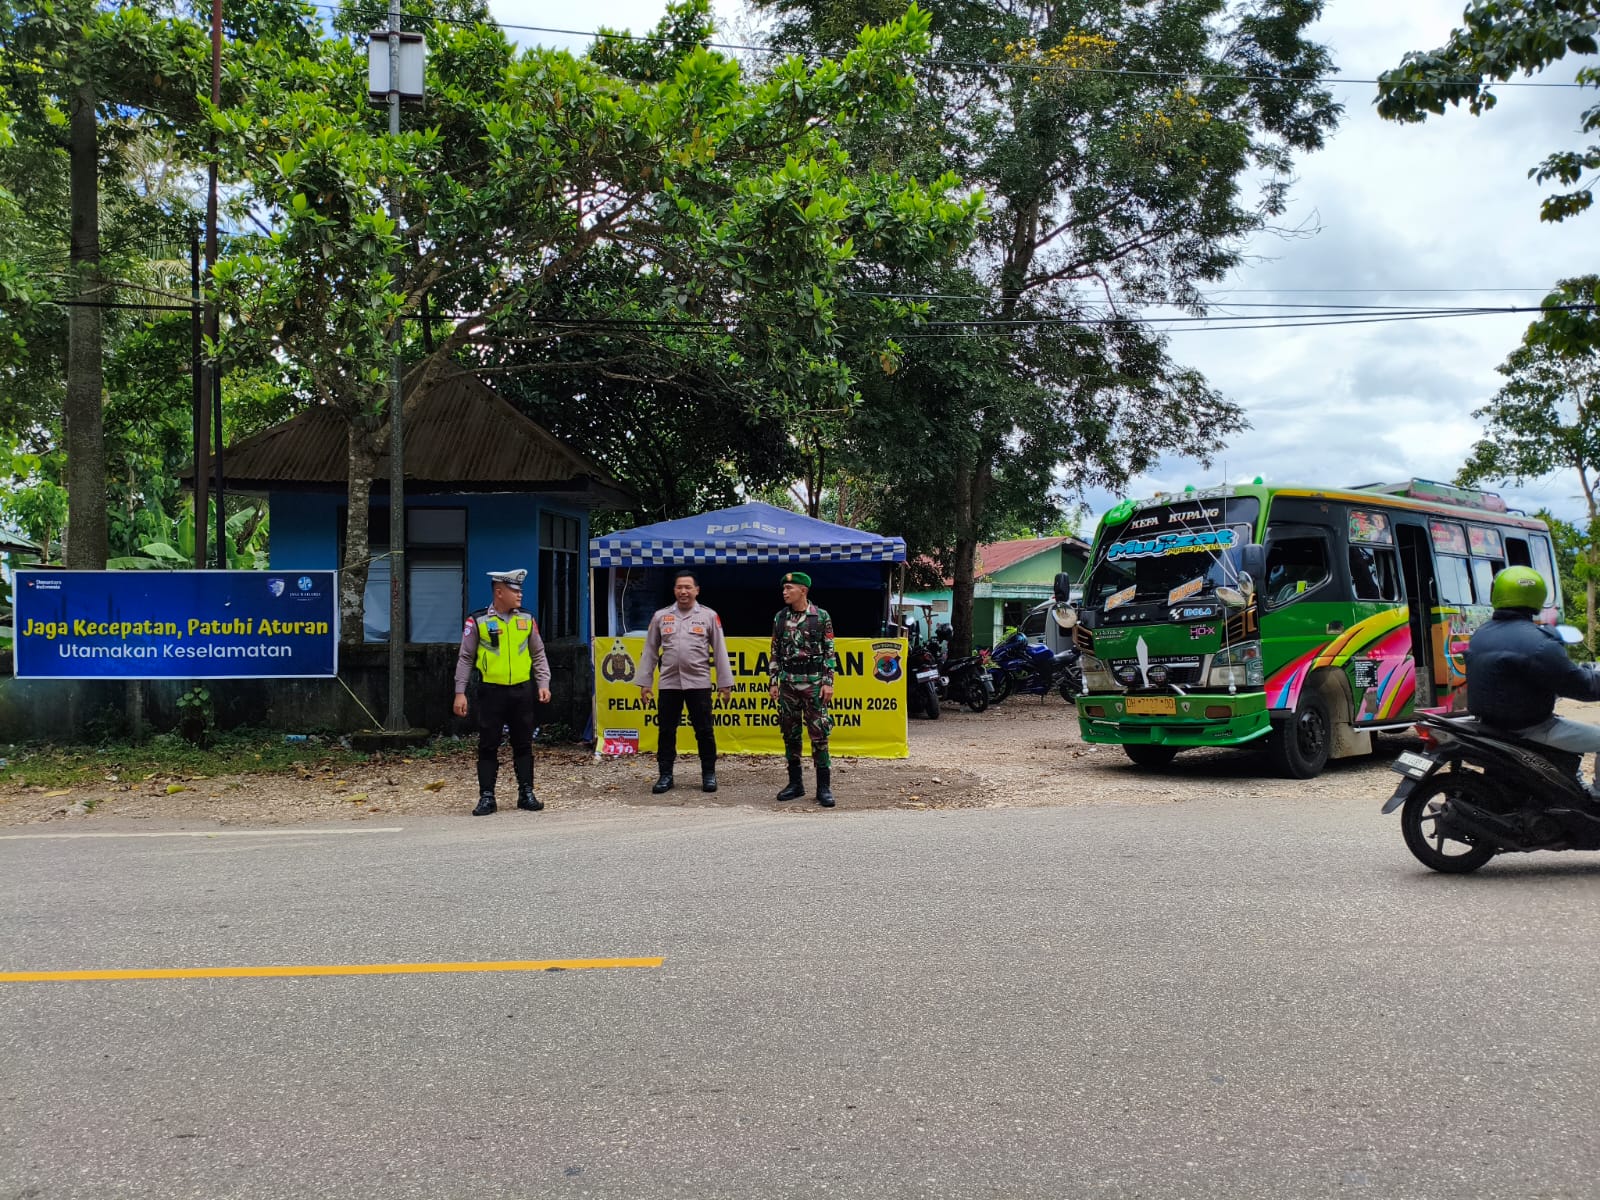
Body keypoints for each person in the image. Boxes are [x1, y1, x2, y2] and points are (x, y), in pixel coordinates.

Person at [1466, 565, 1600, 792]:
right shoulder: (1540, 644)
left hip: (1491, 725)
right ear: (1538, 595)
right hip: (1530, 728)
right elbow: (1582, 686)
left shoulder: (1481, 634)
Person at [453, 568, 552, 816]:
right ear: (499, 592)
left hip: (522, 690)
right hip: (491, 692)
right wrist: (460, 692)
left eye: (520, 590)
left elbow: (538, 653)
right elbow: (465, 657)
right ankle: (487, 797)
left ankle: (526, 793)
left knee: (524, 743)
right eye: (514, 590)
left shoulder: (526, 619)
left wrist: (543, 683)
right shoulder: (478, 621)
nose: (520, 594)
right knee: (488, 744)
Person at [633, 569, 734, 794]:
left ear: (697, 590)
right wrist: (645, 683)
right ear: (674, 590)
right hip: (669, 683)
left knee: (704, 731)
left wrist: (725, 684)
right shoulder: (661, 616)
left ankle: (708, 774)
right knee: (666, 731)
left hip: (699, 683)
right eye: (679, 587)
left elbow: (720, 651)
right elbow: (650, 651)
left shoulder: (708, 616)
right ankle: (665, 775)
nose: (683, 591)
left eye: (688, 587)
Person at [768, 570, 837, 807]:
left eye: (789, 588)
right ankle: (795, 784)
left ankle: (823, 788)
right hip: (788, 683)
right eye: (784, 588)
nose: (784, 592)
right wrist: (773, 681)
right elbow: (775, 651)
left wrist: (828, 682)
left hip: (814, 684)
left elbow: (829, 652)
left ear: (803, 590)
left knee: (819, 734)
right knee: (790, 733)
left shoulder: (821, 617)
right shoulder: (780, 618)